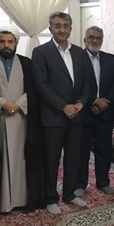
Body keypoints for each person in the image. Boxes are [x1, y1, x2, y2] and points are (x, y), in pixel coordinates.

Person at [0, 26, 44, 213]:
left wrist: (19, 104)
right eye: (2, 41)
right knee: (1, 159)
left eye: (10, 42)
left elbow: (34, 91)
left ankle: (22, 199)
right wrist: (3, 103)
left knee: (22, 159)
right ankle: (4, 202)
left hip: (22, 119)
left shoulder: (27, 64)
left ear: (16, 43)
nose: (6, 45)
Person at [32, 12, 90, 214]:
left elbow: (87, 81)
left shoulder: (80, 53)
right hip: (53, 116)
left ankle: (69, 193)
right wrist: (63, 106)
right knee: (51, 159)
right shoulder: (41, 52)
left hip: (76, 115)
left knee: (74, 157)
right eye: (58, 26)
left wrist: (81, 103)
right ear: (51, 29)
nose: (62, 30)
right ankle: (50, 198)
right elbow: (42, 85)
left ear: (71, 28)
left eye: (66, 26)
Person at [77, 26, 114, 196]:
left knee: (104, 150)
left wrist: (106, 101)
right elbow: (76, 85)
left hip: (105, 112)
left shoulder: (110, 59)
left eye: (98, 38)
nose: (95, 41)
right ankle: (80, 184)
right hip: (84, 112)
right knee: (82, 151)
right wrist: (94, 101)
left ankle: (103, 182)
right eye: (91, 37)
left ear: (102, 41)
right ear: (85, 40)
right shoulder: (77, 58)